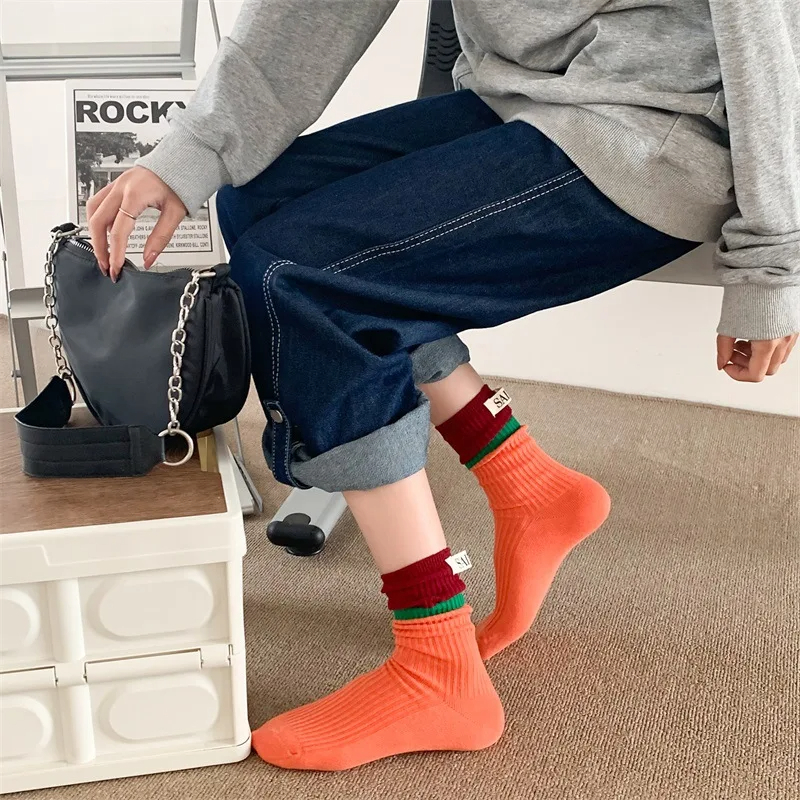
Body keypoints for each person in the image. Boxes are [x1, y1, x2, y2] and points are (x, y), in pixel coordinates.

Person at [86, 0, 799, 772]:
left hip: (660, 128)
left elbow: (769, 31)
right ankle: (529, 484)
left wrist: (773, 260)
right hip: (518, 99)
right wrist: (190, 151)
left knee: (303, 276)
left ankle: (437, 665)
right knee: (256, 196)